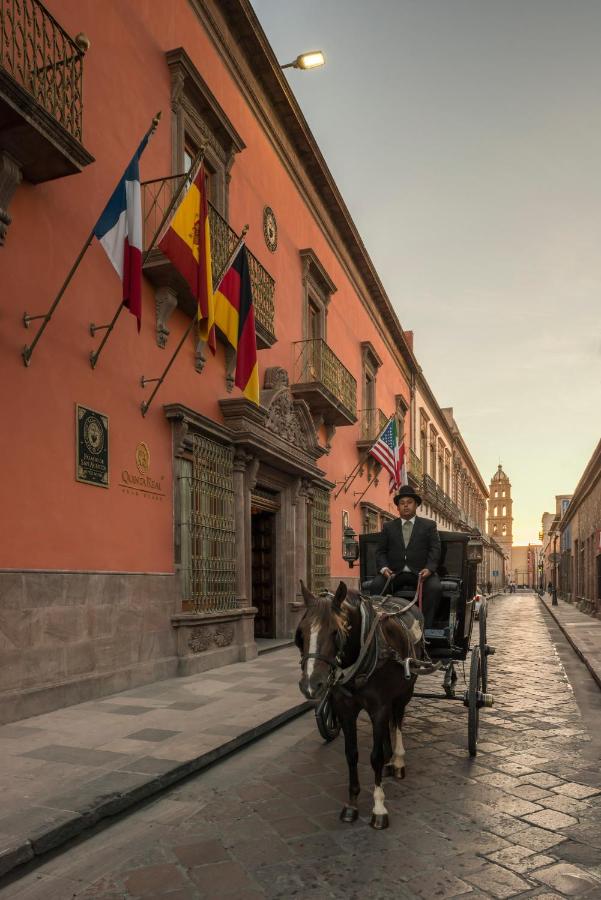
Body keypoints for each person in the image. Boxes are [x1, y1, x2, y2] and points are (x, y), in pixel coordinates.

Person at [371, 485, 442, 628]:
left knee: (435, 588)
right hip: (394, 573)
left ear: (416, 505)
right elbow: (380, 551)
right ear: (398, 507)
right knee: (376, 586)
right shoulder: (388, 527)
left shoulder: (429, 525)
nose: (405, 506)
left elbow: (435, 549)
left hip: (421, 573)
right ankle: (380, 626)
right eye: (402, 503)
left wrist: (429, 569)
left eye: (409, 502)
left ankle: (425, 627)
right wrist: (384, 568)